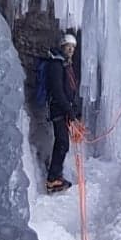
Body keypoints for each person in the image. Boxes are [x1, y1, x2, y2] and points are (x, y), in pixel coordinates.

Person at [46, 32, 80, 193]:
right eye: (68, 46)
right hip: (58, 110)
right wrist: (69, 111)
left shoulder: (65, 65)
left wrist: (74, 110)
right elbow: (58, 92)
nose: (71, 50)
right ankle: (53, 179)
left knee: (62, 144)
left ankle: (56, 176)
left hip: (63, 109)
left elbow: (69, 90)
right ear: (62, 47)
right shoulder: (56, 65)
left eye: (73, 47)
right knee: (62, 143)